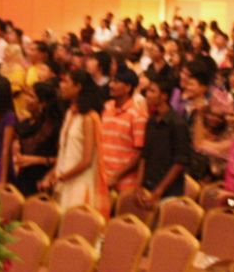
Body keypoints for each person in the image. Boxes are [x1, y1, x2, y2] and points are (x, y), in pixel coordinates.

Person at [42, 70, 107, 215]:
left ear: (78, 87)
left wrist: (61, 177)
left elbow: (86, 160)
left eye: (66, 82)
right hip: (64, 181)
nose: (61, 85)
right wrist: (53, 173)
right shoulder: (70, 113)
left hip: (78, 185)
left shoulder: (89, 118)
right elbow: (65, 152)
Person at [137, 77, 192, 215]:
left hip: (169, 192)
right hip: (148, 186)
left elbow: (180, 162)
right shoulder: (151, 121)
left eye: (152, 91)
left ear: (164, 96)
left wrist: (159, 191)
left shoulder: (178, 124)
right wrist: (138, 185)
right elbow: (144, 155)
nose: (147, 95)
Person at [100, 67, 147, 198]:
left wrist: (116, 176)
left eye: (116, 82)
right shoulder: (106, 107)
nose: (111, 85)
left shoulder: (138, 115)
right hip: (102, 178)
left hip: (125, 184)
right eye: (111, 81)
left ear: (128, 87)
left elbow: (139, 154)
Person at [11, 79, 62, 197]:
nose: (26, 99)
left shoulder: (54, 127)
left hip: (43, 180)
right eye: (27, 95)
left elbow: (61, 159)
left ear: (42, 103)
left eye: (31, 96)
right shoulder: (26, 124)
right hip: (23, 178)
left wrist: (36, 160)